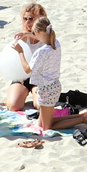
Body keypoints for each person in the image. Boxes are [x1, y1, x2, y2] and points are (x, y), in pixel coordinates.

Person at [12, 17, 62, 145]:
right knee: (43, 123)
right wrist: (28, 34)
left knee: (46, 127)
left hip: (46, 88)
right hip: (54, 85)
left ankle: (83, 118)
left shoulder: (41, 51)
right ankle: (80, 117)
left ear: (39, 33)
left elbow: (28, 69)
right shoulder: (56, 43)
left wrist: (20, 52)